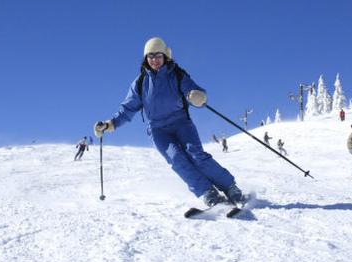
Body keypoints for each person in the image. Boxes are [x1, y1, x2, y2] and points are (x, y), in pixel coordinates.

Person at [93, 37, 244, 207]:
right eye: (150, 56)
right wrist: (110, 124)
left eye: (158, 55)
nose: (155, 60)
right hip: (158, 130)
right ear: (145, 59)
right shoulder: (140, 83)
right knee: (177, 159)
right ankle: (207, 192)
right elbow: (127, 109)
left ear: (165, 56)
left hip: (181, 123)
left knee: (196, 155)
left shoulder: (177, 74)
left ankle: (230, 188)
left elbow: (192, 91)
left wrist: (195, 96)